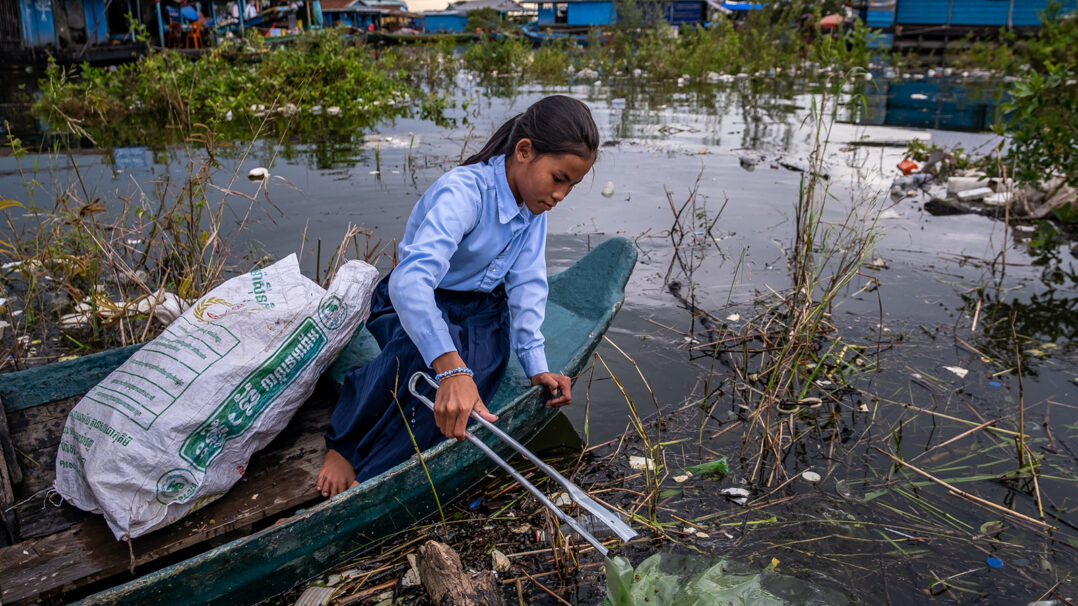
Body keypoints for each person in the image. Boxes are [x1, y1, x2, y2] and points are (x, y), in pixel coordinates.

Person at [316, 95, 600, 498]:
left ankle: (376, 470)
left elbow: (527, 284)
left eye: (572, 185)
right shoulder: (464, 193)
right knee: (420, 358)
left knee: (477, 381)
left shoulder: (533, 211)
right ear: (524, 152)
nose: (561, 196)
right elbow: (410, 282)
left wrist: (536, 363)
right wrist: (450, 368)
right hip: (416, 298)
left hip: (481, 308)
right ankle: (344, 443)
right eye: (558, 178)